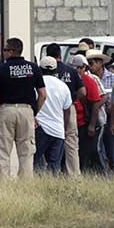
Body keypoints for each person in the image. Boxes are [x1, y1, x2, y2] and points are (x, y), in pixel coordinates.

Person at [0, 37, 46, 179]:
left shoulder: (2, 69)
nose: (4, 52)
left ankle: (2, 184)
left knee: (3, 150)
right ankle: (25, 184)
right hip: (26, 111)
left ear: (11, 52)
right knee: (26, 151)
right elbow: (43, 94)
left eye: (5, 50)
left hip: (6, 111)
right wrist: (34, 112)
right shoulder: (33, 67)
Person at [47, 43, 85, 177]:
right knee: (71, 144)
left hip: (50, 109)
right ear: (60, 55)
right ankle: (74, 175)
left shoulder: (45, 71)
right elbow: (83, 92)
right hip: (69, 108)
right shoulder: (70, 70)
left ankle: (51, 174)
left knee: (48, 140)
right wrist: (72, 98)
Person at [34, 57, 72, 174]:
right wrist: (64, 128)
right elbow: (67, 110)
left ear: (40, 69)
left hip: (40, 127)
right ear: (56, 70)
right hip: (58, 130)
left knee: (34, 162)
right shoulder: (63, 86)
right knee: (54, 166)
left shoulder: (37, 84)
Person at [72, 54, 106, 172]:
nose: (77, 70)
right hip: (73, 122)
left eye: (79, 67)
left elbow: (96, 103)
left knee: (88, 151)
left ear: (84, 68)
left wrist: (91, 125)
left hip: (84, 122)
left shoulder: (89, 81)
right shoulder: (70, 79)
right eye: (74, 67)